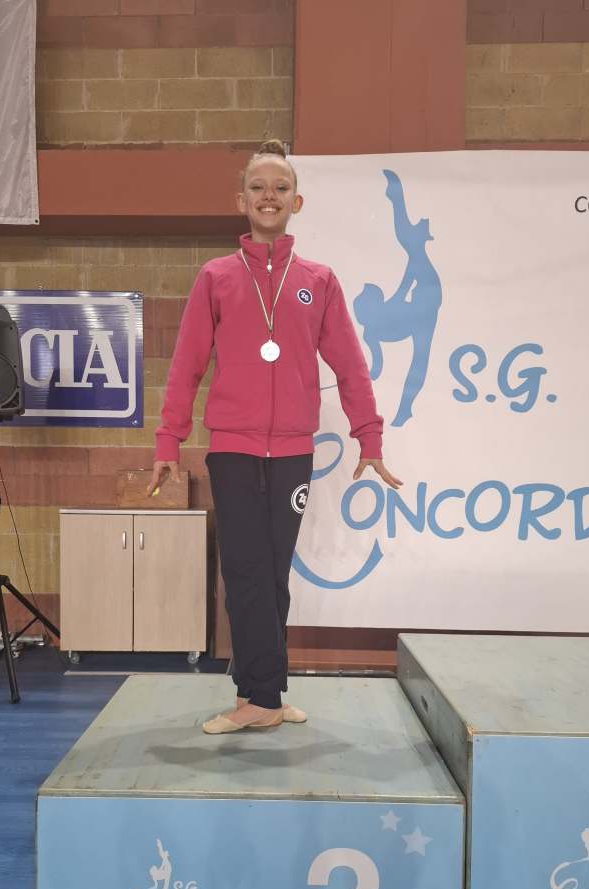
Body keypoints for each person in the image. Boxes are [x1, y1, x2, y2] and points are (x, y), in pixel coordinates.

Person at [146, 140, 402, 734]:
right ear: (241, 200)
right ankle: (262, 698)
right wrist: (167, 442)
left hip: (291, 451)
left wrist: (369, 438)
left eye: (280, 188)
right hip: (233, 449)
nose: (269, 196)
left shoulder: (319, 281)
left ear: (297, 202)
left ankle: (261, 693)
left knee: (272, 572)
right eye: (258, 187)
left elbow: (350, 365)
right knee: (244, 569)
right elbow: (186, 366)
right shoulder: (216, 278)